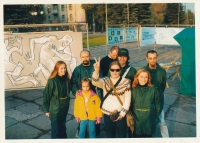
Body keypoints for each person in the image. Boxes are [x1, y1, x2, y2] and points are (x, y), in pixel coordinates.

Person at [92, 59, 131, 138]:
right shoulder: (105, 80)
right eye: (112, 70)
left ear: (120, 70)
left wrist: (122, 114)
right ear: (109, 70)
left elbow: (127, 100)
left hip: (120, 114)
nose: (115, 72)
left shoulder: (126, 82)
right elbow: (95, 82)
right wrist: (96, 70)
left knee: (122, 136)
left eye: (117, 70)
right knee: (110, 136)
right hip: (107, 115)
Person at [71, 49, 103, 136]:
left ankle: (95, 134)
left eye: (87, 56)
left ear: (90, 56)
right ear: (80, 58)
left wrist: (98, 69)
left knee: (95, 117)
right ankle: (82, 133)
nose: (85, 58)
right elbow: (73, 82)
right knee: (82, 116)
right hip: (83, 96)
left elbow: (103, 79)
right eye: (83, 57)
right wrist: (76, 91)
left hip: (94, 95)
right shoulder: (78, 69)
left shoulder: (95, 66)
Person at [143, 50, 169, 137]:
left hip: (159, 100)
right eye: (150, 58)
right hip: (148, 101)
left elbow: (163, 86)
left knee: (162, 121)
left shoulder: (162, 72)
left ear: (157, 58)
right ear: (147, 59)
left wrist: (159, 96)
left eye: (154, 58)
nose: (152, 60)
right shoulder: (143, 71)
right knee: (149, 121)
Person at [42, 61, 70, 139]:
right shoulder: (52, 81)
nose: (63, 70)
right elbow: (46, 96)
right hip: (55, 109)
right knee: (56, 130)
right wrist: (46, 110)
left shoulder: (66, 79)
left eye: (65, 68)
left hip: (64, 108)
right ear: (57, 69)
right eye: (61, 68)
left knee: (62, 128)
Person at [131, 69, 162, 138]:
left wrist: (154, 115)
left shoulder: (153, 90)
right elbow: (131, 104)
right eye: (141, 76)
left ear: (148, 79)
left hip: (149, 120)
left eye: (146, 77)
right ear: (137, 77)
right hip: (137, 120)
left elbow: (158, 105)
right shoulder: (134, 90)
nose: (143, 79)